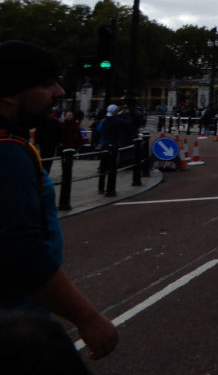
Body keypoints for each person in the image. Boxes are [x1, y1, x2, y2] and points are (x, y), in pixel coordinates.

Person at [0, 40, 119, 360]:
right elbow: (21, 252)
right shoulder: (8, 151)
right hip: (14, 320)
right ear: (8, 93)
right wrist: (87, 317)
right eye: (45, 84)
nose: (60, 92)